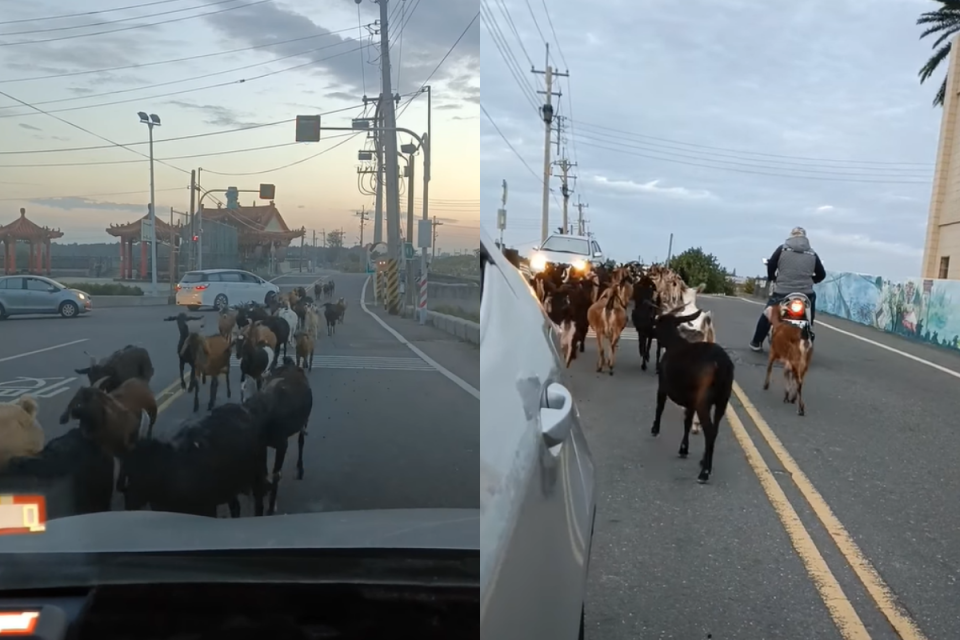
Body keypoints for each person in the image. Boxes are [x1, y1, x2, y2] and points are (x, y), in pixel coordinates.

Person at [749, 227, 826, 351]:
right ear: (805, 237)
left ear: (791, 236)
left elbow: (771, 265)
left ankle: (756, 342)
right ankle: (809, 327)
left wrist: (772, 278)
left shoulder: (782, 249)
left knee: (768, 315)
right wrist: (812, 281)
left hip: (782, 292)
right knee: (809, 308)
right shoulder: (812, 254)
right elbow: (822, 275)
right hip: (805, 293)